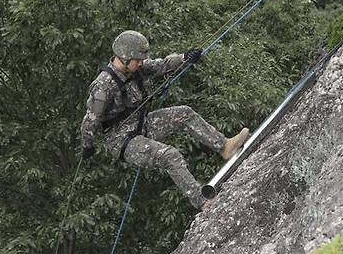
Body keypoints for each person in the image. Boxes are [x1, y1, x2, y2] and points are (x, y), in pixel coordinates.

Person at [80, 30, 249, 210]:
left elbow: (161, 65)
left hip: (140, 124)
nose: (141, 63)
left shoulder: (136, 67)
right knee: (170, 155)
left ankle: (224, 146)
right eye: (138, 60)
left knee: (184, 113)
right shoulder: (103, 86)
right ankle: (202, 202)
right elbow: (90, 121)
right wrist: (87, 145)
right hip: (120, 140)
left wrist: (184, 57)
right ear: (124, 58)